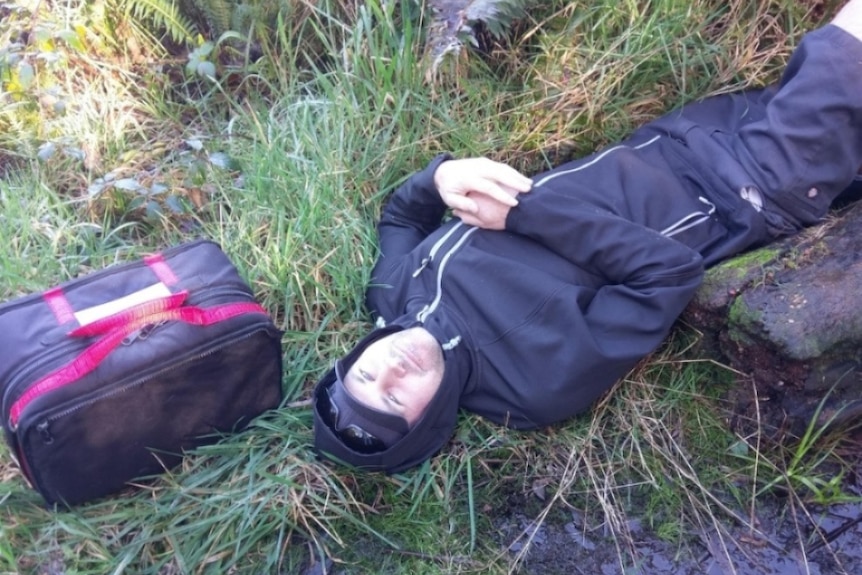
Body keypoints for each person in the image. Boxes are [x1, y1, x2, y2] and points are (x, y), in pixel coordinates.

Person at [312, 1, 862, 473]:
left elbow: (402, 221)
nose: (391, 368)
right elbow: (668, 275)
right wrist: (526, 214)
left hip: (679, 135)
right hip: (748, 187)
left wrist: (439, 178)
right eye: (392, 399)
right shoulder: (534, 385)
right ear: (428, 423)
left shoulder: (391, 298)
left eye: (366, 372)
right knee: (842, 51)